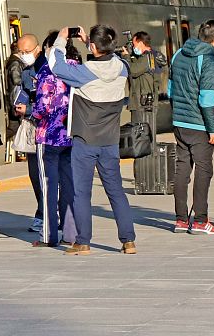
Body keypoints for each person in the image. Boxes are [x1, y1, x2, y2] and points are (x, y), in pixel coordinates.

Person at [48, 26, 136, 256]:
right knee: (116, 191)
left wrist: (61, 39)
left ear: (93, 48)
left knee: (82, 193)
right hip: (110, 141)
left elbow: (56, 66)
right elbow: (114, 57)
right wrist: (93, 43)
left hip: (85, 141)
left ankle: (83, 242)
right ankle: (128, 241)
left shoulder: (84, 72)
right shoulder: (122, 69)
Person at [169, 19, 214, 235]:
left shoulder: (179, 53)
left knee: (182, 168)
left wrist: (177, 114)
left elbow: (171, 89)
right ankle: (200, 220)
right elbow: (207, 99)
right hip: (199, 124)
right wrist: (213, 129)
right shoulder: (209, 59)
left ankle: (180, 220)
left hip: (179, 122)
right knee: (204, 170)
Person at [32, 34, 76, 247]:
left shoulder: (46, 72)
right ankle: (71, 233)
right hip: (70, 135)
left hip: (48, 135)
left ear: (51, 48)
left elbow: (42, 108)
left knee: (48, 185)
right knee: (69, 184)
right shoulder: (76, 68)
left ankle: (49, 235)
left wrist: (30, 112)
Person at [7, 33, 44, 232]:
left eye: (27, 51)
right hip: (31, 129)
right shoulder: (27, 71)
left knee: (47, 175)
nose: (23, 55)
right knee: (35, 174)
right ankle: (43, 212)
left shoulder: (48, 71)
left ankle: (48, 214)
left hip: (49, 131)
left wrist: (29, 109)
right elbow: (19, 94)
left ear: (37, 49)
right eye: (20, 52)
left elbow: (52, 103)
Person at [127, 31, 166, 133]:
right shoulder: (151, 56)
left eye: (134, 44)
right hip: (145, 101)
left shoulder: (147, 58)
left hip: (142, 102)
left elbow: (133, 71)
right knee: (145, 134)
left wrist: (126, 57)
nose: (133, 47)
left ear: (140, 43)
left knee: (140, 135)